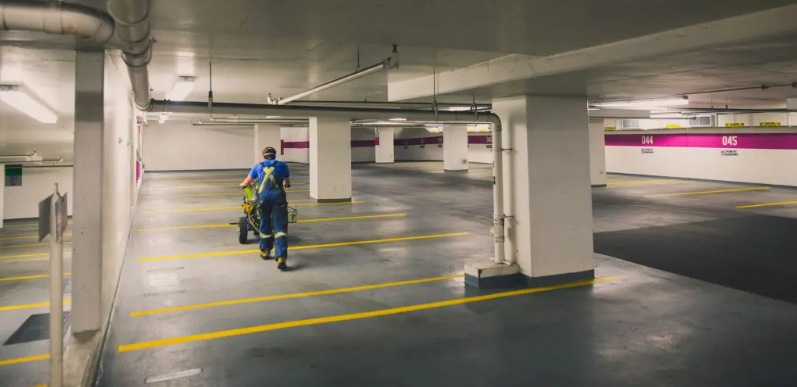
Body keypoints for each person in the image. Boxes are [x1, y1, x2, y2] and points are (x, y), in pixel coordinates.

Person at [240, 146, 291, 270]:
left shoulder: (258, 166)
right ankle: (281, 257)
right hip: (278, 199)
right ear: (275, 155)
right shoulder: (283, 166)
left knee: (264, 224)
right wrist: (285, 184)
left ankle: (265, 251)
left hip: (262, 200)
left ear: (263, 156)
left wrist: (243, 184)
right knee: (280, 228)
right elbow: (287, 182)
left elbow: (246, 182)